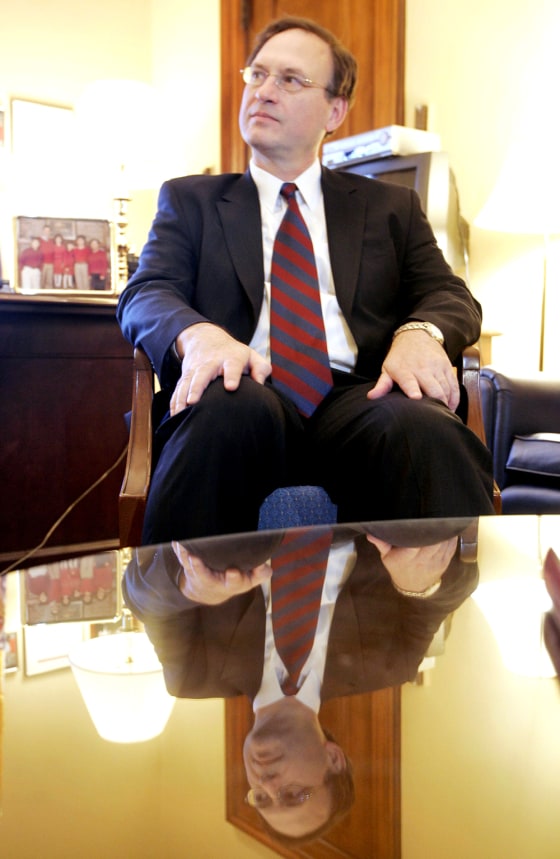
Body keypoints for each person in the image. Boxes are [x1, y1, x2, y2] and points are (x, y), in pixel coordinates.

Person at [117, 16, 495, 545]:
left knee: (423, 428)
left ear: (335, 111)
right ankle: (186, 615)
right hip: (245, 386)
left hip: (359, 396)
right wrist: (197, 334)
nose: (265, 92)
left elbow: (449, 293)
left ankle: (440, 612)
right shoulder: (191, 201)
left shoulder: (390, 208)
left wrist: (421, 333)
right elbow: (145, 292)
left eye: (290, 80)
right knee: (223, 415)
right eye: (258, 75)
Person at [122, 518, 478, 844]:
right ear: (334, 759)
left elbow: (139, 596)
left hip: (243, 497)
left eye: (260, 797)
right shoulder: (391, 664)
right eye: (294, 794)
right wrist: (419, 586)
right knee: (421, 533)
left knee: (219, 552)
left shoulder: (193, 674)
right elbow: (455, 587)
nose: (267, 783)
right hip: (361, 497)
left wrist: (190, 587)